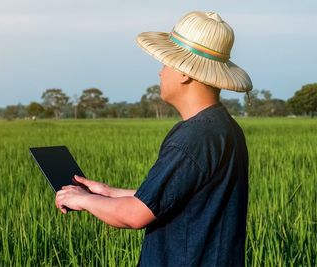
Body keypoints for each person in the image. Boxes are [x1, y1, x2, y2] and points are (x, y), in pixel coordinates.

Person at [55, 11, 252, 266]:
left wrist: (80, 199)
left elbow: (135, 216)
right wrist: (109, 193)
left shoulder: (194, 136)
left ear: (184, 72)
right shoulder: (224, 128)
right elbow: (181, 197)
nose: (160, 72)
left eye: (166, 63)